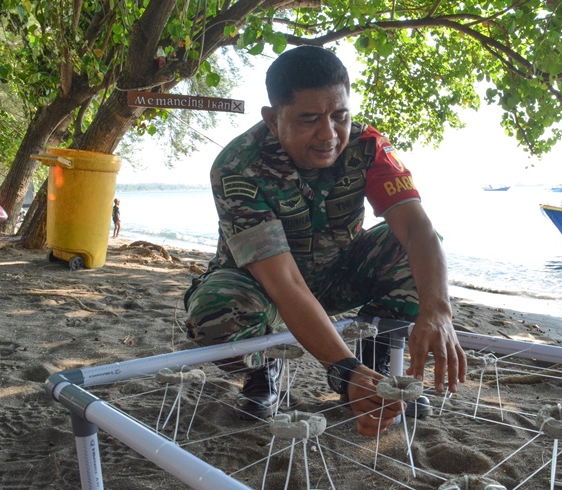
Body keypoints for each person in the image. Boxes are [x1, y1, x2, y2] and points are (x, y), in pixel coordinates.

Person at [184, 46, 466, 437]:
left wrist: (438, 311)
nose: (329, 135)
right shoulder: (238, 167)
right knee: (216, 313)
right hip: (262, 287)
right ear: (272, 118)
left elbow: (418, 230)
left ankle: (376, 359)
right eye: (309, 119)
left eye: (340, 116)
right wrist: (342, 372)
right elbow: (283, 282)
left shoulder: (368, 148)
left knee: (416, 255)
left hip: (338, 274)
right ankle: (265, 370)